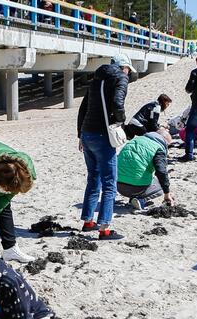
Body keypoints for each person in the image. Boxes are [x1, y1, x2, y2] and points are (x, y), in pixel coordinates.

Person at [76, 54, 132, 241]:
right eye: (128, 70)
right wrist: (120, 121)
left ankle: (88, 221)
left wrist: (80, 135)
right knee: (109, 183)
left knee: (93, 178)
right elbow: (117, 103)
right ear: (123, 67)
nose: (128, 74)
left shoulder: (95, 80)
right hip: (103, 135)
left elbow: (83, 109)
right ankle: (105, 228)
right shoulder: (120, 77)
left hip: (87, 133)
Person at [116, 129, 174, 210]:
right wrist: (167, 194)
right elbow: (161, 172)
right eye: (168, 145)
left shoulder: (135, 140)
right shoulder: (158, 147)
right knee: (162, 183)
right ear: (164, 141)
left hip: (118, 185)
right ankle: (141, 200)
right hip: (136, 188)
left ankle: (134, 198)